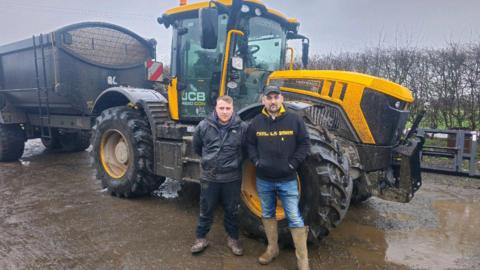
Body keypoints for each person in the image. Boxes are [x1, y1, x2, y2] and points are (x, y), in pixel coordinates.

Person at [246, 85, 311, 270]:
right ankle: (272, 249)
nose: (273, 101)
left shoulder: (294, 120)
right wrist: (256, 162)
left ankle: (303, 261)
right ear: (263, 100)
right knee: (267, 213)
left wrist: (292, 165)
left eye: (276, 97)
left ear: (281, 99)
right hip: (263, 179)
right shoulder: (256, 122)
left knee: (294, 217)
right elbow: (250, 144)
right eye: (269, 98)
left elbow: (305, 144)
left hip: (287, 180)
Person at [191, 95, 248, 256]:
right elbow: (197, 146)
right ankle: (201, 238)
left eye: (228, 108)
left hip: (232, 177)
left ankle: (233, 239)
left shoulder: (242, 127)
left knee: (232, 210)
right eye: (221, 108)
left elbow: (246, 149)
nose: (224, 112)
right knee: (206, 208)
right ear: (215, 108)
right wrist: (209, 162)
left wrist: (235, 163)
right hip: (210, 176)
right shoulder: (204, 126)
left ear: (233, 109)